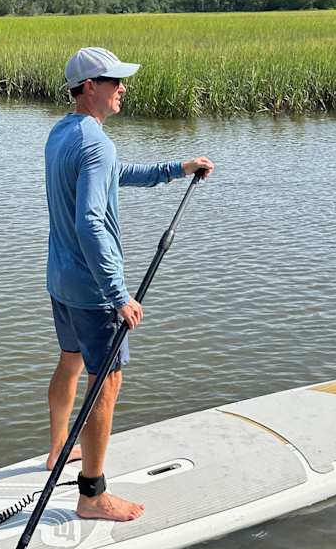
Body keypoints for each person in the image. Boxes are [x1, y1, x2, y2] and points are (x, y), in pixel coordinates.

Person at [44, 46, 214, 523]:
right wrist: (118, 294)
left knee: (71, 362)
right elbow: (92, 221)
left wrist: (174, 169)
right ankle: (92, 495)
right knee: (106, 383)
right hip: (94, 290)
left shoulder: (64, 132)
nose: (123, 89)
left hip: (61, 280)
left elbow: (112, 177)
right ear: (90, 87)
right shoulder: (96, 141)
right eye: (115, 81)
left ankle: (58, 451)